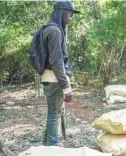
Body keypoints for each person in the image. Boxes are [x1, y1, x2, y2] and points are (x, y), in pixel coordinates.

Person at [41, 1, 80, 146]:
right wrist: (66, 87)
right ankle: (51, 149)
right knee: (54, 115)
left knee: (52, 113)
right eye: (70, 15)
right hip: (55, 78)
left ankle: (46, 147)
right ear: (62, 12)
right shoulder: (55, 31)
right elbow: (56, 61)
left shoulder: (50, 28)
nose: (71, 18)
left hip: (48, 77)